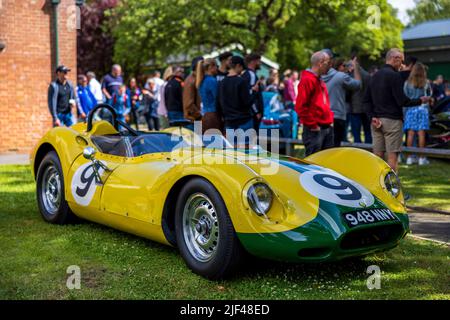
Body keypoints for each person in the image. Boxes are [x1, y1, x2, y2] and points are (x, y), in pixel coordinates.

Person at [364, 48, 429, 172]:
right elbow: (402, 101)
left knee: (377, 157)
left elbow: (366, 101)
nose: (402, 65)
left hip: (376, 121)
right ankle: (392, 189)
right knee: (392, 158)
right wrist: (421, 100)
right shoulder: (394, 76)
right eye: (401, 61)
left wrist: (372, 117)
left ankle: (377, 187)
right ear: (395, 59)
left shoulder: (374, 75)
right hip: (392, 122)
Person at [295, 52, 334, 157]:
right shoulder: (308, 80)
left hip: (325, 127)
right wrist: (312, 125)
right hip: (315, 129)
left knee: (326, 162)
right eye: (328, 63)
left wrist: (329, 121)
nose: (330, 66)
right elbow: (300, 106)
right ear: (321, 63)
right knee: (314, 163)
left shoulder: (319, 80)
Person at [321, 50, 362, 147]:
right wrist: (355, 67)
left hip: (321, 116)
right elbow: (358, 85)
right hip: (337, 116)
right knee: (334, 148)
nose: (346, 67)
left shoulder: (317, 76)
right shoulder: (341, 77)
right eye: (344, 65)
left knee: (322, 148)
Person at [217, 56, 253, 144]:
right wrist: (254, 93)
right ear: (238, 66)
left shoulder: (222, 83)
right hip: (243, 121)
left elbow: (219, 103)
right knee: (246, 153)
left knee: (231, 153)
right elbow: (247, 103)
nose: (242, 70)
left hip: (229, 122)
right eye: (242, 67)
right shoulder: (241, 81)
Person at [403, 63, 432, 165]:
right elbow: (429, 96)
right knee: (421, 134)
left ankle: (409, 158)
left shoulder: (407, 83)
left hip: (410, 109)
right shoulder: (426, 82)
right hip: (422, 109)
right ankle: (421, 158)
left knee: (410, 134)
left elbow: (405, 97)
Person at [196, 58, 223, 133]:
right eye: (216, 66)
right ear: (211, 67)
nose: (217, 68)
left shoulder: (201, 80)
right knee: (216, 143)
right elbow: (218, 98)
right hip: (213, 116)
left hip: (205, 115)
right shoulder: (211, 80)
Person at [348, 65, 372, 144]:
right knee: (367, 132)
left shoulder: (351, 76)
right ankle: (368, 150)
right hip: (366, 108)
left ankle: (357, 149)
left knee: (356, 133)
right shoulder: (368, 75)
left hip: (354, 108)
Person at [242, 53, 263, 131]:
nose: (260, 63)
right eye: (259, 61)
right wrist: (256, 112)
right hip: (252, 114)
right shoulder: (251, 75)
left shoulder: (248, 74)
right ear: (253, 62)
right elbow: (250, 95)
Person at [183, 56, 204, 126]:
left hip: (195, 119)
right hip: (194, 120)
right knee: (197, 137)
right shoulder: (191, 80)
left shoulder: (196, 79)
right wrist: (200, 116)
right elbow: (189, 105)